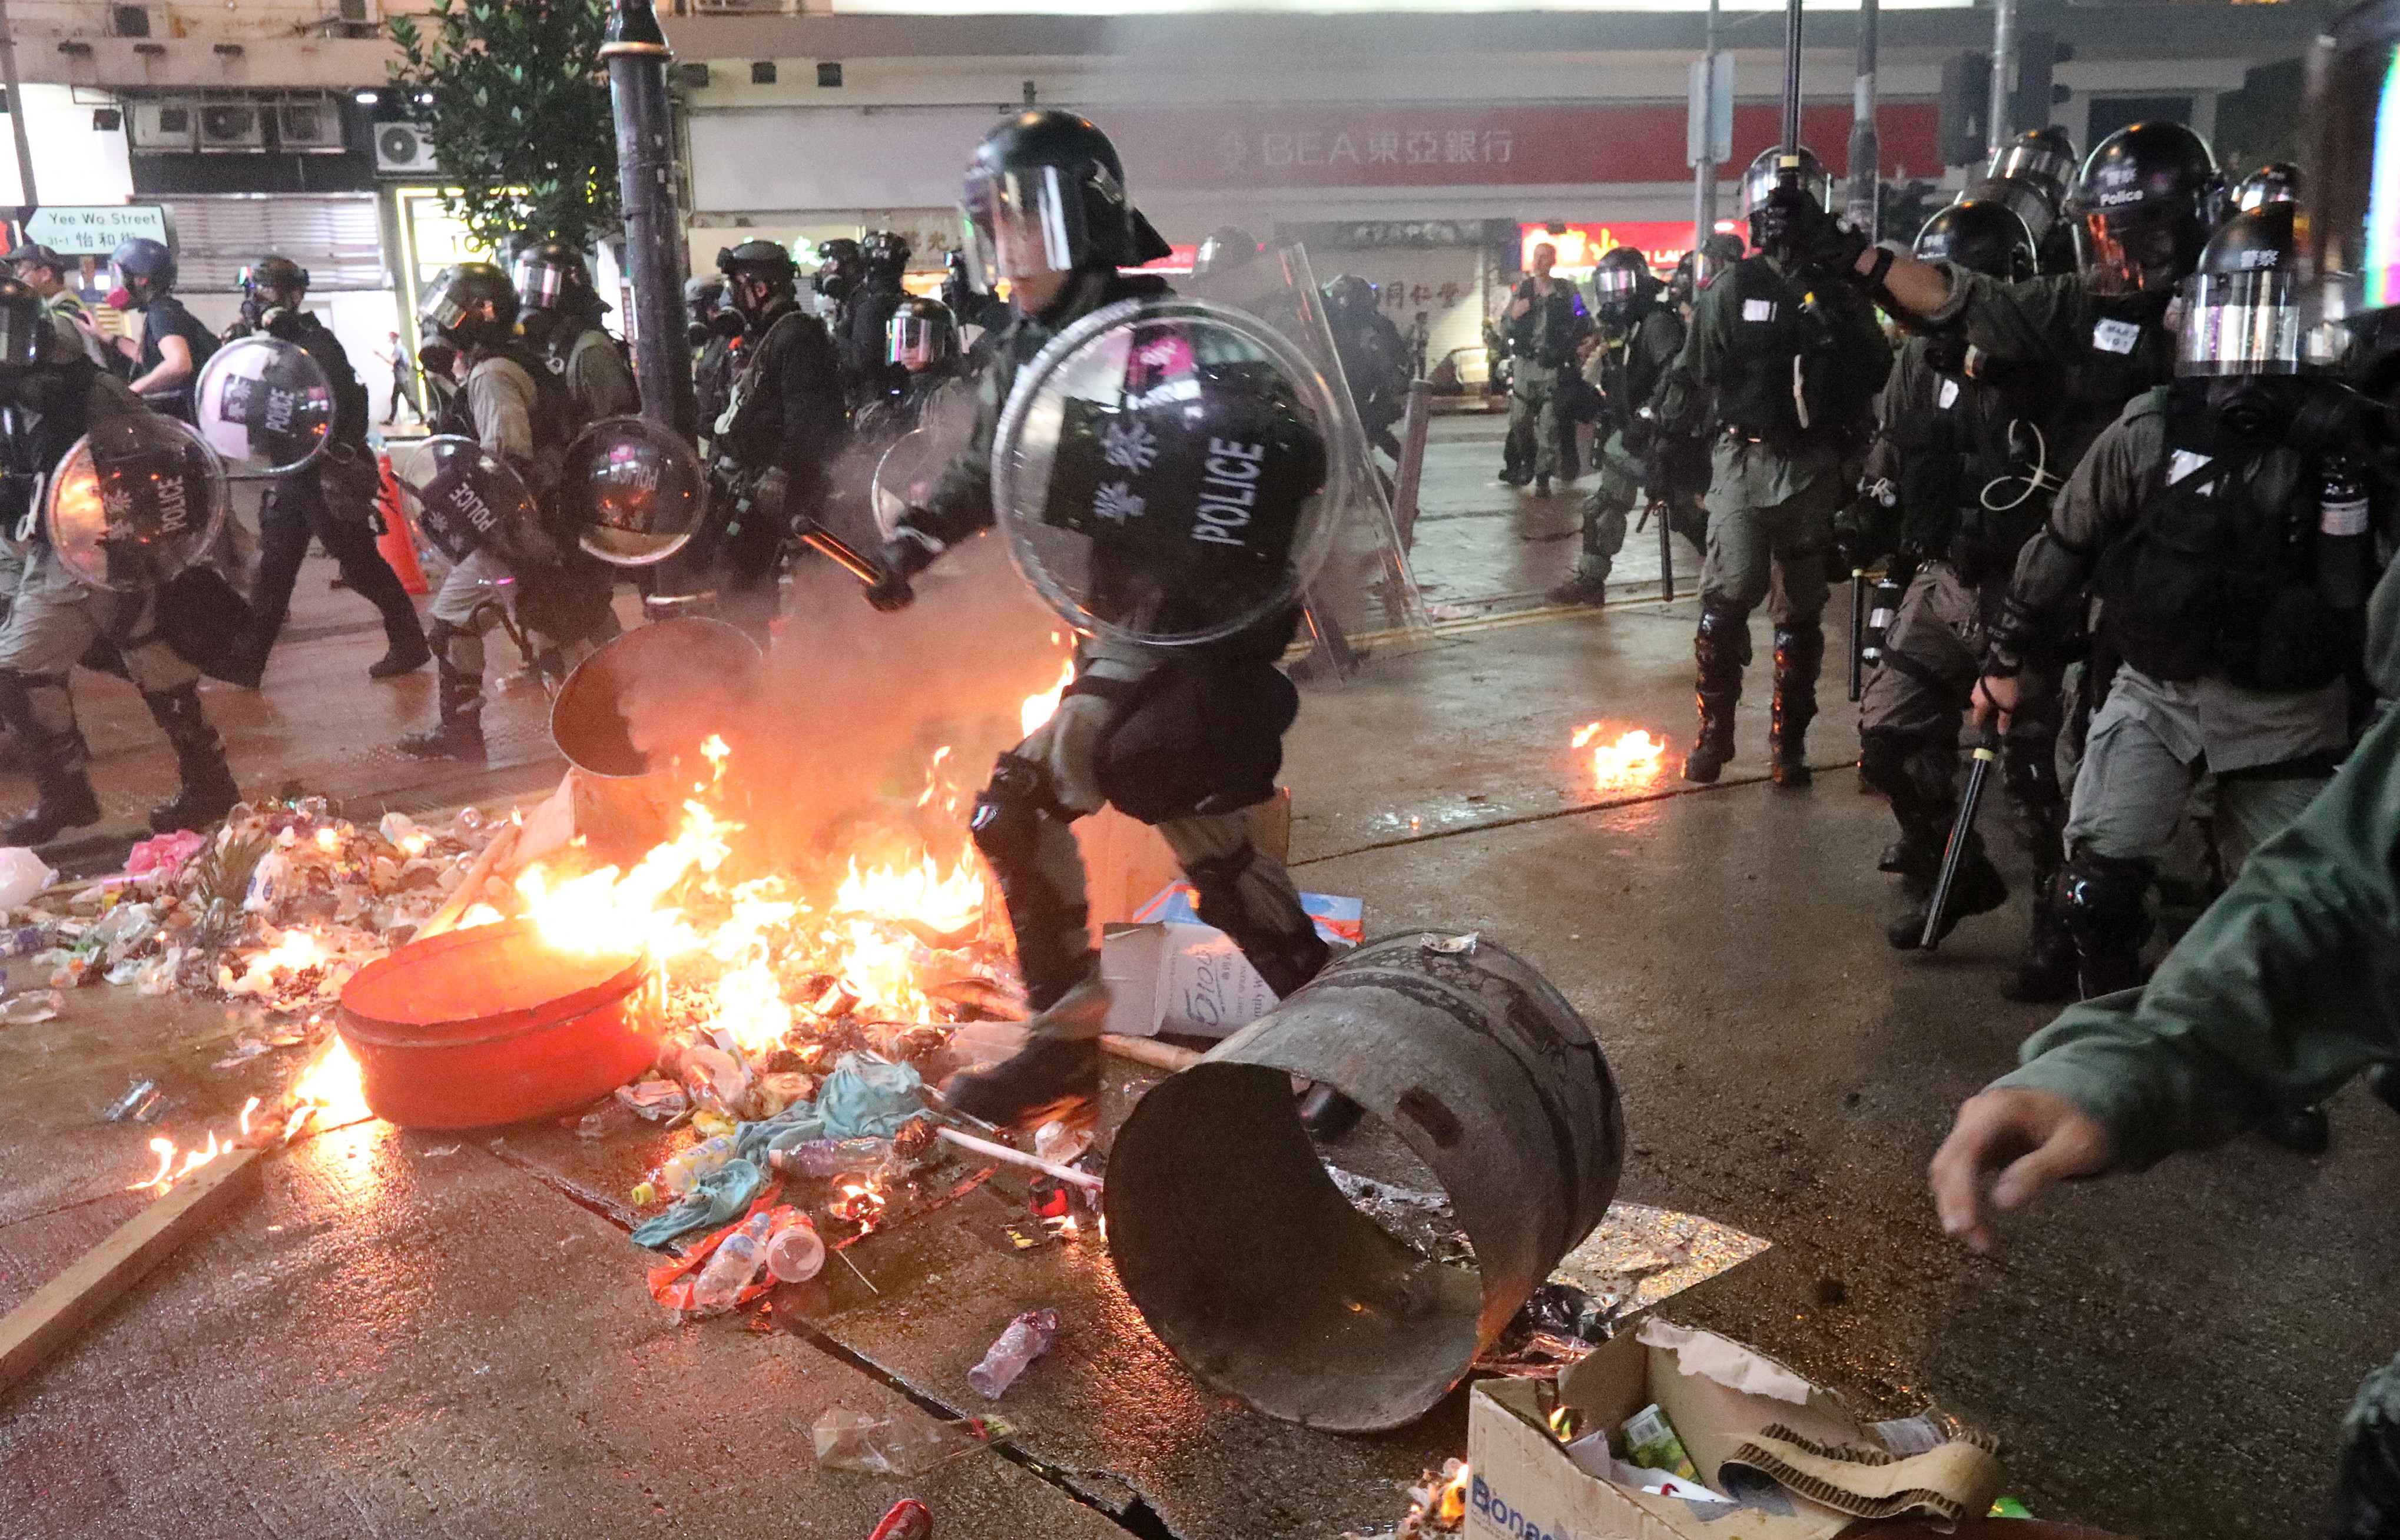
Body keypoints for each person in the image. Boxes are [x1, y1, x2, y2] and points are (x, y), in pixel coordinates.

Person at [864, 109, 1337, 1133]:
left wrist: (1227, 602)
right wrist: (913, 543)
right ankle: (1330, 1027)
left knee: (1017, 805)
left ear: (1081, 221)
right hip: (1122, 621)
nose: (1009, 253)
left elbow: (1269, 462)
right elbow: (982, 474)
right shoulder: (1026, 353)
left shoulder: (1163, 342)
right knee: (1210, 846)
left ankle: (1064, 1049)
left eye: (1023, 225)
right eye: (994, 230)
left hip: (1185, 624)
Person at [1957, 201, 2370, 1150]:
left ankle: (2267, 1076)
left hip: (2289, 711)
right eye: (2238, 317)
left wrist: (2353, 453)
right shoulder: (2153, 427)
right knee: (2094, 889)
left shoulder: (2356, 447)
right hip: (2159, 689)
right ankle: (2115, 1059)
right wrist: (2009, 659)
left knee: (2285, 919)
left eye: (2284, 321)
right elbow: (2064, 545)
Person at [1834, 200, 2074, 987]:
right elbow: (1896, 450)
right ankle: (1956, 869)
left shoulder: (2055, 367)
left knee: (2037, 773)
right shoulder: (1919, 364)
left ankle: (2058, 921)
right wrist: (1868, 514)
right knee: (1889, 740)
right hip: (1947, 576)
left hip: (2031, 584)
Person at [1658, 146, 1892, 788]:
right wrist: (1662, 447)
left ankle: (1787, 745)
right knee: (1729, 593)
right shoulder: (1732, 287)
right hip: (1742, 458)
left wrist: (1837, 321)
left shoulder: (1842, 291)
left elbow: (1877, 369)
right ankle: (1714, 735)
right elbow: (1692, 371)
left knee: (1799, 612)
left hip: (1814, 464)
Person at [0, 277, 241, 842]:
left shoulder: (75, 388)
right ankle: (208, 782)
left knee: (17, 669)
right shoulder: (31, 389)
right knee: (152, 658)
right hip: (78, 550)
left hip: (95, 549)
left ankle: (69, 795)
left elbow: (160, 458)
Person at [401, 261, 614, 760]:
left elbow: (503, 461)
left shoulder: (493, 374)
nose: (439, 323)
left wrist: (500, 534)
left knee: (469, 619)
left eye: (449, 312)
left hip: (519, 530)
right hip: (540, 524)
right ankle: (614, 724)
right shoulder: (512, 361)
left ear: (474, 317)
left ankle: (473, 732)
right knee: (561, 626)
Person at [221, 258, 429, 685]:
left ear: (291, 297)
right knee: (274, 570)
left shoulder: (316, 344)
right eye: (254, 292)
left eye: (266, 292)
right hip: (293, 470)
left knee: (359, 564)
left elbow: (317, 406)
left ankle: (410, 641)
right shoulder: (275, 347)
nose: (256, 302)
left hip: (323, 474)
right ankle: (249, 662)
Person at [692, 238, 848, 625]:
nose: (732, 298)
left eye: (736, 287)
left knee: (750, 594)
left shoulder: (797, 336)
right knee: (736, 588)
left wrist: (779, 472)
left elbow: (807, 422)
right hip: (753, 488)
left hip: (778, 500)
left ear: (759, 288)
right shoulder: (774, 335)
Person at [1550, 245, 1687, 608]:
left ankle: (1736, 588)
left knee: (1693, 516)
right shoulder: (1625, 328)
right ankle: (1591, 581)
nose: (1614, 291)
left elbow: (1678, 379)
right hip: (1633, 437)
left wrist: (1651, 420)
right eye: (1607, 282)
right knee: (1603, 506)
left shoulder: (1656, 323)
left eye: (1621, 281)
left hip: (1665, 439)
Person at [511, 241, 638, 424]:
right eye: (528, 279)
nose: (533, 294)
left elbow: (618, 429)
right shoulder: (552, 345)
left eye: (543, 280)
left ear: (570, 285)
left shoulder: (591, 350)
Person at [1500, 242, 1590, 496]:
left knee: (1549, 427)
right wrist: (1514, 316)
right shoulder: (1523, 291)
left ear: (1553, 261)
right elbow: (1504, 327)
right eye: (1536, 257)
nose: (1539, 263)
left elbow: (1584, 319)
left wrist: (1582, 345)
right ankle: (1528, 460)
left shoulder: (1567, 291)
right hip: (1525, 367)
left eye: (1544, 258)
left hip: (1553, 369)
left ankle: (1542, 476)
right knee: (1520, 422)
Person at [105, 237, 216, 423]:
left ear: (141, 279)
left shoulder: (161, 313)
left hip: (189, 421)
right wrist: (106, 336)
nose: (116, 285)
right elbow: (151, 358)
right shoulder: (164, 310)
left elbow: (179, 365)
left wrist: (131, 392)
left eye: (120, 277)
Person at [1321, 274, 1411, 462]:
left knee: (1367, 431)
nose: (1339, 302)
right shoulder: (1340, 323)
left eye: (1342, 297)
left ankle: (1404, 468)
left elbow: (1396, 368)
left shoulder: (1374, 328)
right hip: (1343, 393)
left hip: (1367, 395)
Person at [838, 231, 912, 411]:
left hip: (874, 402)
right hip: (904, 395)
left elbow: (861, 361)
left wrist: (839, 336)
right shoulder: (909, 304)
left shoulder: (869, 308)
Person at [6, 245, 112, 369]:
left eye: (20, 276)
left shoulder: (58, 316)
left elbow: (64, 367)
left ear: (45, 274)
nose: (17, 283)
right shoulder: (71, 305)